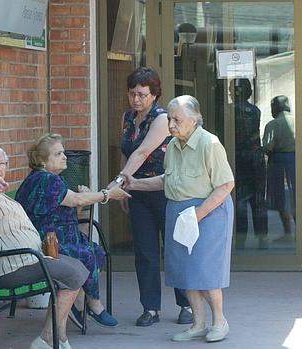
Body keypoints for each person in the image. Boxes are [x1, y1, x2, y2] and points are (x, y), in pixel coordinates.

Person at [124, 95, 234, 343]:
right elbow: (167, 179)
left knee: (205, 270)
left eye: (177, 120)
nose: (171, 124)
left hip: (208, 210)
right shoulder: (172, 145)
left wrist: (197, 214)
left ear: (194, 120)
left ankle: (219, 321)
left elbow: (226, 184)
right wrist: (137, 184)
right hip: (178, 210)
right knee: (185, 271)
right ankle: (198, 323)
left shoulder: (210, 144)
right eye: (170, 119)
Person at [0, 144, 89, 349]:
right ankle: (48, 338)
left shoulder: (2, 196)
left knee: (78, 267)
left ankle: (58, 338)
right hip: (5, 268)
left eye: (2, 163)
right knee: (74, 273)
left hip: (26, 259)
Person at [16, 133, 131, 328]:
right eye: (58, 153)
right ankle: (94, 304)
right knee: (86, 254)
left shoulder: (49, 178)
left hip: (59, 235)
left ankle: (78, 303)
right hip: (48, 241)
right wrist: (108, 194)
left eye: (63, 152)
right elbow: (75, 200)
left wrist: (83, 199)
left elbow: (64, 211)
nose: (65, 156)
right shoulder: (46, 180)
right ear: (43, 161)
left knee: (96, 251)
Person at [107, 66, 191, 327]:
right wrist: (124, 188)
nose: (136, 99)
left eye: (142, 94)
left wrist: (116, 182)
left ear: (154, 95)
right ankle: (150, 308)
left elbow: (142, 152)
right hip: (137, 193)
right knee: (145, 252)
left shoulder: (162, 119)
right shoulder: (128, 117)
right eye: (132, 93)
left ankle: (187, 304)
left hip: (164, 190)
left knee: (175, 250)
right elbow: (126, 151)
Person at [231, 78, 268, 249]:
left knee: (240, 202)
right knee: (258, 200)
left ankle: (241, 241)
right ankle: (262, 239)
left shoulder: (230, 111)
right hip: (255, 158)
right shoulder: (255, 111)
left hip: (239, 158)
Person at [262, 95, 296, 243]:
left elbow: (268, 146)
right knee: (297, 195)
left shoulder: (273, 125)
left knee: (281, 197)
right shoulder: (299, 121)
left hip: (278, 161)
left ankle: (288, 232)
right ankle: (301, 232)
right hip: (296, 160)